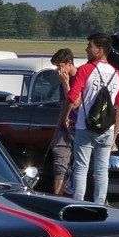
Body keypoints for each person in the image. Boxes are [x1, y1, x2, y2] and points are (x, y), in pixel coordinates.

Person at [66, 34, 119, 203]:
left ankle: (77, 203)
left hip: (85, 126)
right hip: (107, 129)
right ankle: (100, 205)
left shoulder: (86, 69)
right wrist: (115, 134)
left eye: (89, 46)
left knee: (81, 168)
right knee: (101, 171)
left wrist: (65, 83)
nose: (86, 49)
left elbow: (73, 98)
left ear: (99, 50)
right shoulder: (118, 75)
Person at [43, 47, 76, 195]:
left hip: (79, 125)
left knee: (81, 165)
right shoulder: (63, 79)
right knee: (59, 161)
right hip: (65, 126)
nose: (58, 71)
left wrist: (66, 84)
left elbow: (75, 102)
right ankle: (58, 196)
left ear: (69, 63)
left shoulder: (78, 77)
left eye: (60, 67)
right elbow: (64, 106)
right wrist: (57, 132)